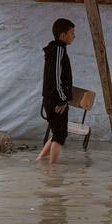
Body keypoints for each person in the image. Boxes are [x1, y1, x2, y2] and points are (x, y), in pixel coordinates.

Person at [37, 18, 76, 164]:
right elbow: (55, 77)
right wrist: (62, 100)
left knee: (57, 134)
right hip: (56, 100)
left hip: (53, 98)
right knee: (60, 135)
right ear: (63, 35)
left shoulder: (56, 49)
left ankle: (40, 161)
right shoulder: (58, 49)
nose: (74, 36)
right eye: (72, 32)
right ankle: (53, 170)